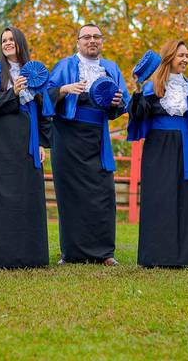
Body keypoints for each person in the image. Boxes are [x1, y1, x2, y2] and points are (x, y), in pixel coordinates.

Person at [43, 24, 130, 266]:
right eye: (87, 37)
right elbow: (45, 96)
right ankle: (70, 254)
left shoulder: (111, 68)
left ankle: (104, 253)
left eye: (96, 37)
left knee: (103, 193)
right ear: (78, 42)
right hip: (68, 137)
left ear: (102, 41)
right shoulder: (65, 65)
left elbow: (123, 102)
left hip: (98, 137)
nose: (92, 41)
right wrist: (64, 89)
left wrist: (117, 101)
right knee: (69, 194)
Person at [0, 27, 51, 269]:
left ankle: (30, 256)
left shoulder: (36, 71)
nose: (7, 43)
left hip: (27, 141)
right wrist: (13, 94)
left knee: (27, 194)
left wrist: (43, 142)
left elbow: (44, 109)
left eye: (11, 39)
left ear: (20, 42)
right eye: (3, 40)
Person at [127, 40, 188, 268]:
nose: (185, 60)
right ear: (169, 57)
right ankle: (154, 256)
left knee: (184, 198)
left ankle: (181, 257)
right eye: (181, 55)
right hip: (157, 148)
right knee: (158, 198)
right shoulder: (152, 87)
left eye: (187, 56)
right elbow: (139, 115)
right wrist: (138, 90)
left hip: (186, 146)